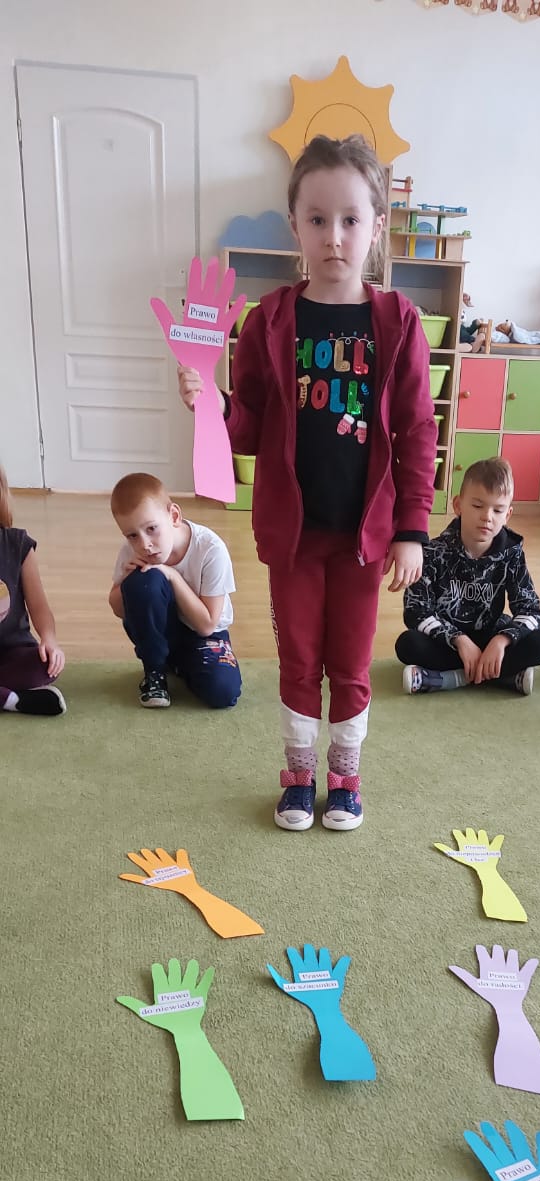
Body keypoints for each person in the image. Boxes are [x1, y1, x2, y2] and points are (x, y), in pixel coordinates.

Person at [177, 134, 436, 832]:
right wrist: (214, 407)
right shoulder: (270, 321)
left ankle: (344, 777)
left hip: (363, 538)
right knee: (298, 659)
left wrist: (412, 529)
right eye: (318, 219)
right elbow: (251, 425)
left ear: (376, 226)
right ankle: (298, 774)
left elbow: (417, 431)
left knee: (350, 662)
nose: (334, 236)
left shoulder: (398, 321)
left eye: (350, 219)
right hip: (293, 537)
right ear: (295, 225)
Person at [395, 457, 540, 696]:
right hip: (448, 642)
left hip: (491, 636)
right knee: (408, 644)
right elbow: (415, 611)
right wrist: (458, 640)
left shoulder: (511, 552)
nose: (487, 517)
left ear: (508, 514)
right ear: (458, 505)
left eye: (498, 510)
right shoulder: (432, 552)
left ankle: (449, 678)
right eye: (478, 506)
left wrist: (502, 640)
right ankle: (502, 677)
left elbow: (531, 610)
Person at [108, 473, 241, 710]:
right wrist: (128, 582)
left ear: (174, 516)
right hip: (163, 629)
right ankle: (155, 670)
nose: (144, 544)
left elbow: (207, 625)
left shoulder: (211, 549)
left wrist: (171, 575)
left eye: (152, 528)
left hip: (205, 635)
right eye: (132, 535)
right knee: (143, 581)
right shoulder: (132, 550)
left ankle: (177, 662)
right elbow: (119, 610)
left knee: (223, 692)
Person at [0, 465, 66, 716]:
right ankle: (13, 700)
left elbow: (39, 607)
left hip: (13, 651)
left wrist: (50, 640)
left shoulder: (18, 544)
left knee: (45, 664)